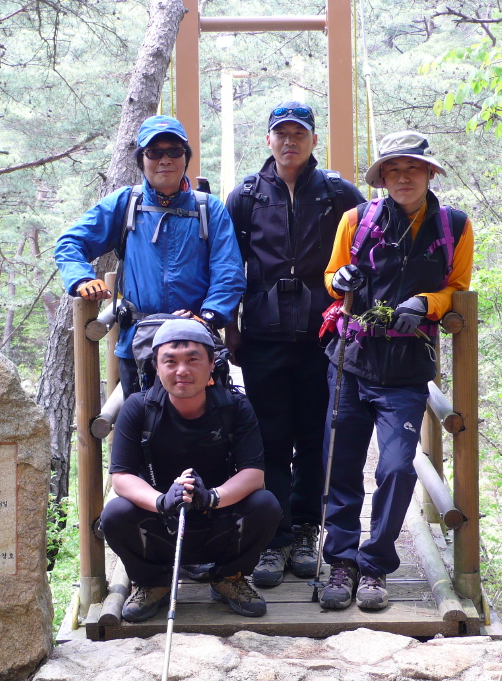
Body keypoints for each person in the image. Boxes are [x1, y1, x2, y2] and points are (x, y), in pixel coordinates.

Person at [318, 130, 474, 611]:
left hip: (407, 371)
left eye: (412, 168)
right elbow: (331, 278)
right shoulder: (356, 220)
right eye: (393, 169)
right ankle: (341, 562)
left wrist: (426, 303)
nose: (403, 177)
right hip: (350, 361)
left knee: (394, 467)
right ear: (382, 177)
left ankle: (375, 566)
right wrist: (339, 280)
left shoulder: (454, 226)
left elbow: (459, 288)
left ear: (429, 173)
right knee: (340, 466)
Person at [224, 102, 365, 587]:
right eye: (280, 134)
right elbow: (231, 266)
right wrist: (232, 327)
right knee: (268, 437)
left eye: (298, 133)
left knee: (314, 435)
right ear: (268, 140)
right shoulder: (244, 196)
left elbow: (363, 257)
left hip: (322, 335)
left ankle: (307, 530)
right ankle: (274, 536)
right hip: (262, 336)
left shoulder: (338, 193)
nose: (289, 141)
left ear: (312, 140)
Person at [100, 318, 281, 621]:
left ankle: (228, 577)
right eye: (169, 361)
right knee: (115, 514)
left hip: (220, 522)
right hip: (162, 528)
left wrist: (211, 497)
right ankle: (153, 581)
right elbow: (122, 477)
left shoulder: (234, 407)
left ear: (212, 364)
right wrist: (160, 501)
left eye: (193, 360)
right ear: (156, 366)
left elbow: (254, 474)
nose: (181, 371)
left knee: (266, 505)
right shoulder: (138, 408)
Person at [54, 115, 246, 396]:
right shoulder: (126, 203)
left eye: (174, 151)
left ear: (185, 158)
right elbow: (70, 242)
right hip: (138, 344)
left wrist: (208, 317)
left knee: (200, 433)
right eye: (154, 152)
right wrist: (81, 279)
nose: (165, 160)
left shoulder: (208, 208)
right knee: (141, 430)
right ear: (141, 159)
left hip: (194, 345)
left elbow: (228, 271)